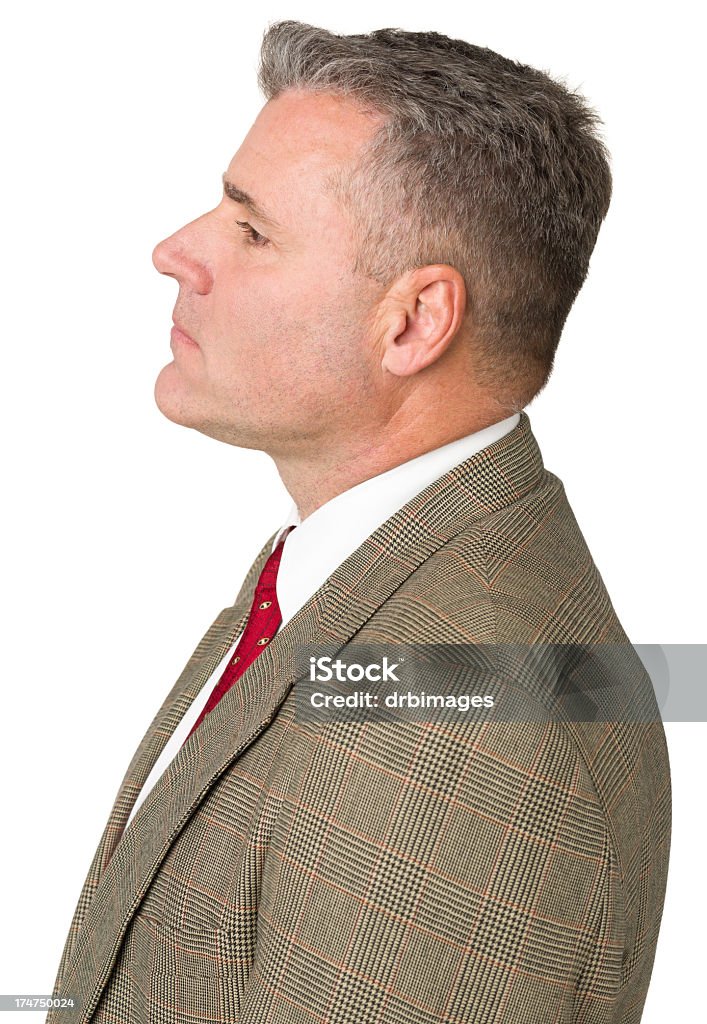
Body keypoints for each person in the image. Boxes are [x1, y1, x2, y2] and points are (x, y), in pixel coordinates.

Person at [47, 20, 671, 1024]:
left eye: (252, 231)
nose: (176, 251)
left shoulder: (458, 718)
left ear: (414, 322)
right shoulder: (364, 574)